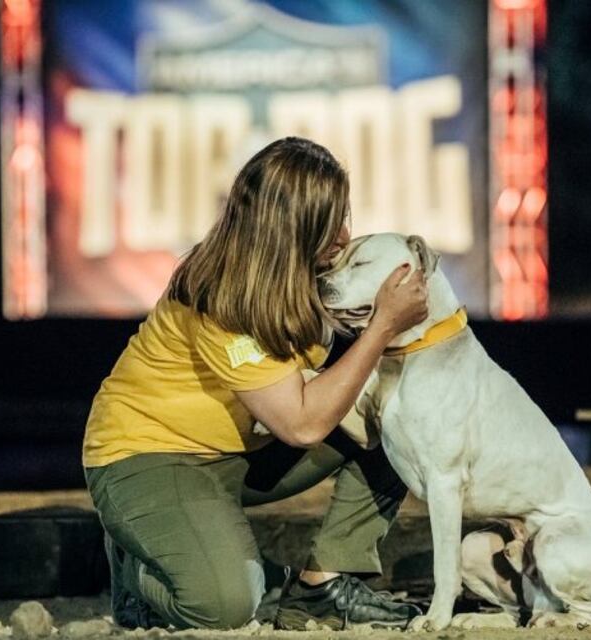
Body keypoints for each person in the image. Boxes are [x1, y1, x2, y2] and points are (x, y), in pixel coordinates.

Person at [82, 137, 429, 631]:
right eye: (329, 223)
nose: (345, 234)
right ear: (291, 229)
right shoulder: (224, 294)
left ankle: (321, 586)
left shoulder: (297, 271)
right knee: (226, 605)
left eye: (344, 216)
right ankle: (137, 570)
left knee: (400, 417)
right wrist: (381, 328)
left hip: (239, 448)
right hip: (150, 457)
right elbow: (303, 425)